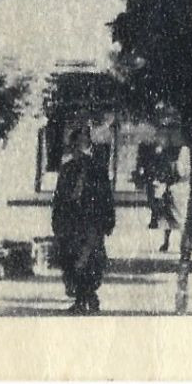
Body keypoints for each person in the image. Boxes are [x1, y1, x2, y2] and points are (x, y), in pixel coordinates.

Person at [51, 127, 116, 314]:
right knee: (71, 259)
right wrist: (56, 220)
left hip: (91, 221)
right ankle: (84, 299)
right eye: (76, 144)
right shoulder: (67, 169)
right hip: (71, 220)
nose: (80, 148)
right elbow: (59, 197)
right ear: (72, 146)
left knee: (90, 260)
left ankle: (88, 297)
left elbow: (106, 196)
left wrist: (108, 221)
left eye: (84, 143)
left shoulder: (97, 169)